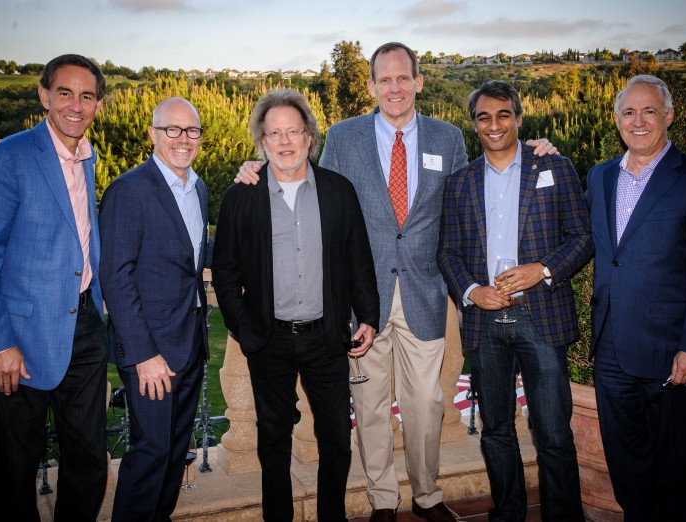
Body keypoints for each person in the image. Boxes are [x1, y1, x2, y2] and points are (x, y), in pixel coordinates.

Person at [234, 42, 557, 522]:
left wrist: (535, 150)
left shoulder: (447, 139)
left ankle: (427, 495)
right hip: (361, 302)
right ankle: (383, 500)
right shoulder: (344, 137)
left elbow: (476, 187)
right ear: (371, 86)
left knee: (426, 404)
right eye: (384, 80)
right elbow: (309, 187)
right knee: (369, 407)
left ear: (418, 81)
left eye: (403, 78)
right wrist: (256, 167)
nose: (394, 88)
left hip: (427, 293)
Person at [212, 88, 380, 521]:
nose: (284, 142)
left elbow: (359, 260)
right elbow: (225, 275)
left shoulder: (338, 191)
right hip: (268, 341)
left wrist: (369, 317)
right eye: (274, 134)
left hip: (326, 338)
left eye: (293, 132)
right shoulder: (240, 198)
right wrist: (247, 332)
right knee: (272, 440)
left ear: (309, 137)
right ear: (262, 141)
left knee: (337, 438)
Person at [437, 79, 592, 522]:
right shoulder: (459, 183)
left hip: (540, 316)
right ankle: (508, 513)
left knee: (552, 433)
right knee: (496, 430)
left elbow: (582, 238)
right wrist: (471, 292)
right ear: (474, 125)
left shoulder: (554, 168)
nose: (494, 124)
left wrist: (540, 270)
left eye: (503, 114)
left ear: (519, 119)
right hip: (485, 323)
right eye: (484, 117)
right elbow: (447, 251)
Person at [0, 54, 109, 521]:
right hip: (18, 339)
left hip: (84, 327)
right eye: (64, 93)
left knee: (88, 460)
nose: (75, 105)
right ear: (44, 95)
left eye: (86, 96)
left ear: (97, 105)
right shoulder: (6, 158)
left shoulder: (86, 158)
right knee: (13, 471)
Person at [586, 74, 686, 521]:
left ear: (668, 116)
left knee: (678, 469)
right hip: (612, 350)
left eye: (649, 110)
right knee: (626, 463)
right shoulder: (600, 176)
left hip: (673, 353)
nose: (639, 120)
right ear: (616, 119)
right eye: (629, 112)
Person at [99, 97, 212, 521]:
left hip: (190, 346)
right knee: (150, 454)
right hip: (152, 354)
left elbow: (190, 255)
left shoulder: (197, 187)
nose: (183, 139)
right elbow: (116, 276)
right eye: (172, 130)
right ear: (153, 134)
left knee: (173, 453)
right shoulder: (129, 190)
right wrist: (144, 355)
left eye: (192, 131)